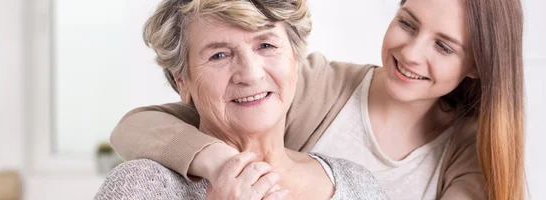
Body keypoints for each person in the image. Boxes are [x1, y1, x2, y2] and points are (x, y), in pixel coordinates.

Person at [110, 0, 526, 199]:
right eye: (406, 23)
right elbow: (137, 126)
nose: (412, 53)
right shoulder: (317, 83)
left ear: (477, 65)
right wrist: (219, 163)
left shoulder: (473, 153)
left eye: (445, 46)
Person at [95, 0, 388, 199]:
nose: (249, 74)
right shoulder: (143, 186)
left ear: (296, 59)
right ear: (182, 81)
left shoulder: (356, 184)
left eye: (266, 45)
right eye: (219, 55)